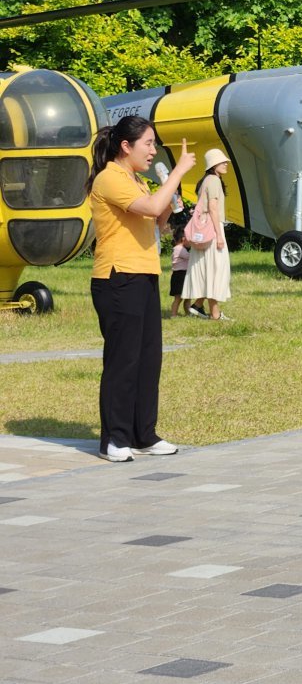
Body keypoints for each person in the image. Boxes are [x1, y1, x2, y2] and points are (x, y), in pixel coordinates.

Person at [86, 117, 195, 462]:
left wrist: (169, 198)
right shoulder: (109, 178)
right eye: (147, 143)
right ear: (125, 146)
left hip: (145, 275)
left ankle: (143, 434)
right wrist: (176, 172)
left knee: (148, 360)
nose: (152, 151)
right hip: (118, 278)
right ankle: (114, 439)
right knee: (123, 360)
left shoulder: (137, 181)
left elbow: (154, 220)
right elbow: (147, 208)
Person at [182, 149, 232, 321]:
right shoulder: (214, 181)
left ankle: (198, 305)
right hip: (212, 228)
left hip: (203, 230)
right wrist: (219, 236)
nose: (226, 164)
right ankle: (215, 314)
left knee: (207, 268)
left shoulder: (206, 181)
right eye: (222, 161)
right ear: (214, 164)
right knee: (216, 269)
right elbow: (213, 208)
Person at [167, 225, 191, 318]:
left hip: (182, 275)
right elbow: (190, 257)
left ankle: (188, 313)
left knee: (188, 296)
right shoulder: (180, 249)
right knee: (178, 298)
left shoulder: (179, 249)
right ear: (183, 238)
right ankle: (173, 314)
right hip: (180, 276)